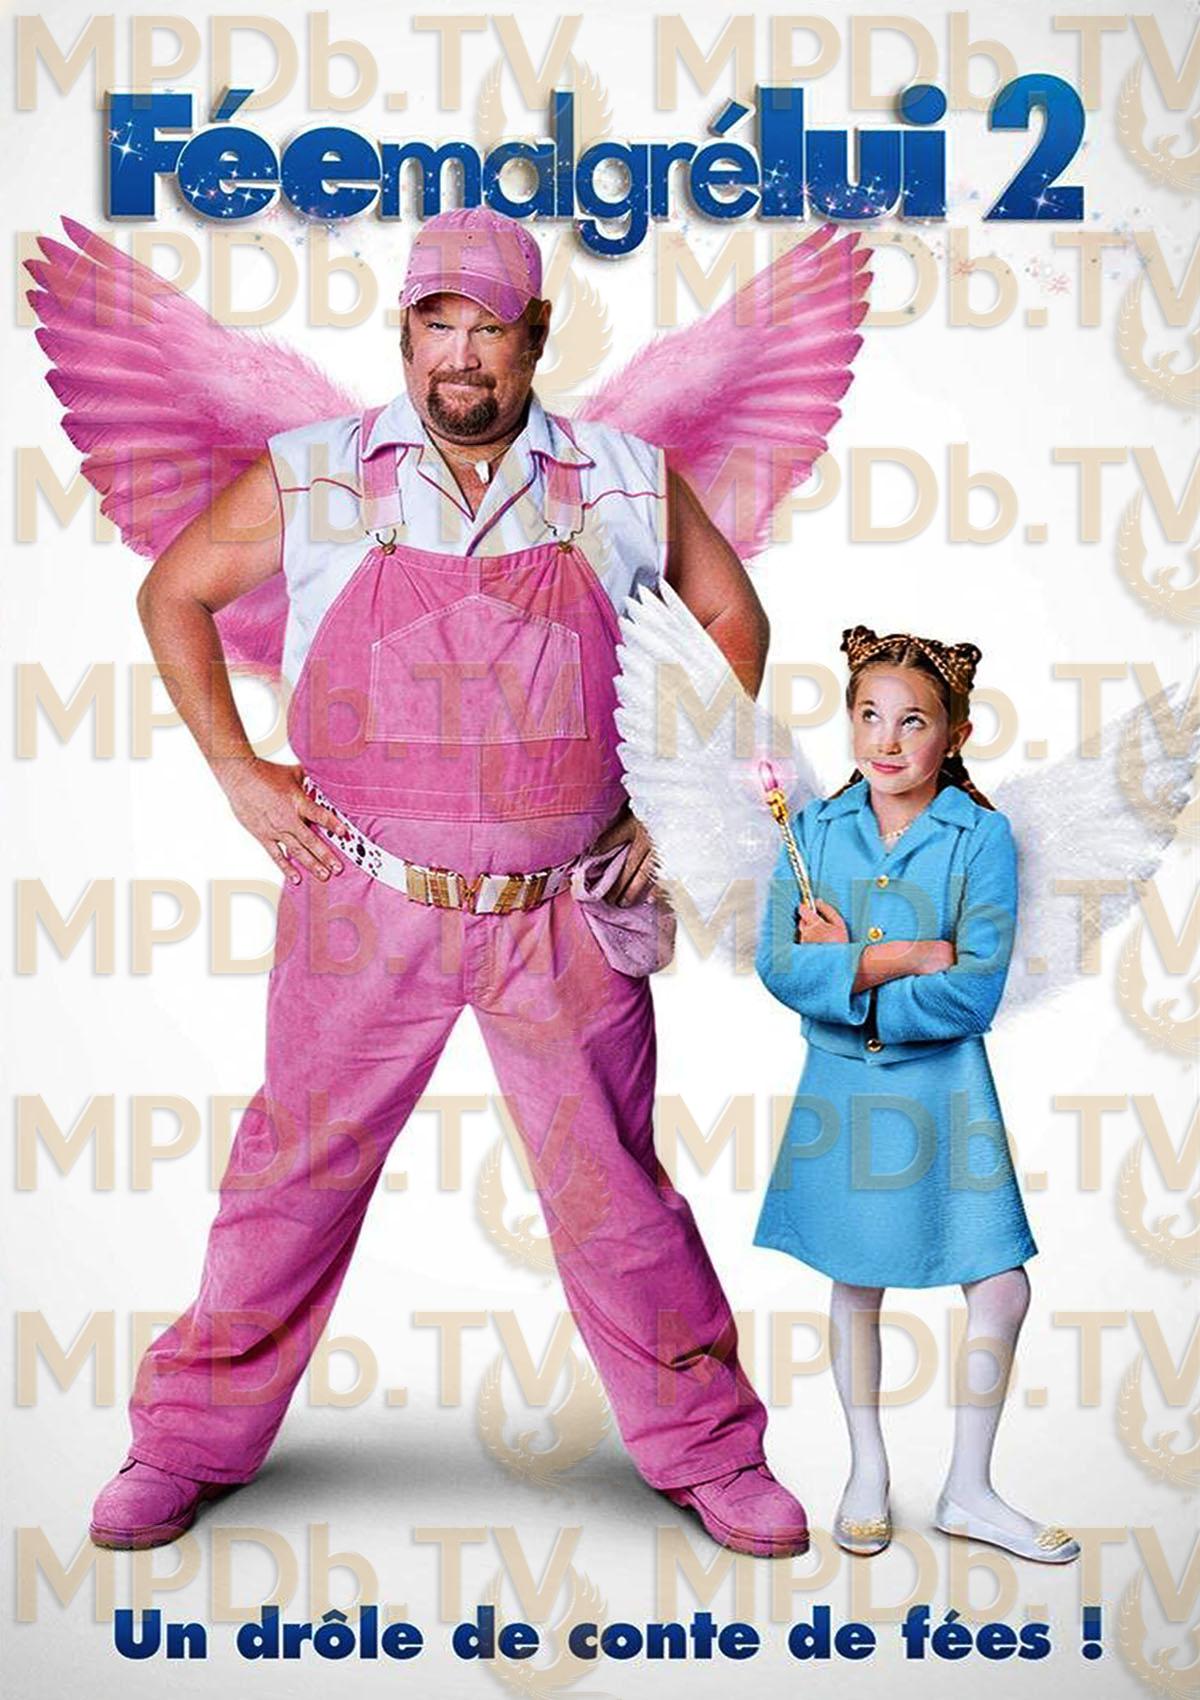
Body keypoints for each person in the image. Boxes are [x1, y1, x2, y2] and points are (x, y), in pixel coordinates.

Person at [88, 206, 809, 1558]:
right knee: (290, 1181)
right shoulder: (316, 474)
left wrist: (679, 793)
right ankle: (184, 1443)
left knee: (616, 1196)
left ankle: (711, 1449)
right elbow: (173, 592)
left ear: (535, 338)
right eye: (436, 324)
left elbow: (733, 615)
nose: (460, 355)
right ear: (405, 332)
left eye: (488, 328)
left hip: (563, 914)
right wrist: (239, 771)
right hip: (363, 903)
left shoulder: (622, 479)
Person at [753, 626, 1080, 1563]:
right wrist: (898, 955)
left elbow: (972, 992)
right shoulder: (813, 830)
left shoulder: (981, 837)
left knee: (1001, 1285)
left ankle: (970, 1488)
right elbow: (778, 964)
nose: (886, 741)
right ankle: (867, 1471)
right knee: (857, 1276)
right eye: (868, 716)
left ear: (956, 733)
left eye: (912, 722)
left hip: (945, 1089)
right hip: (845, 1093)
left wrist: (846, 974)